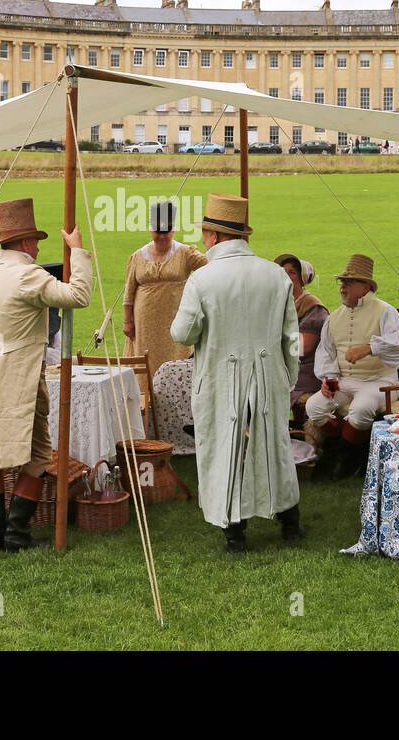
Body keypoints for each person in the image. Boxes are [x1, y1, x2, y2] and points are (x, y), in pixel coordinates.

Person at [169, 193, 302, 554]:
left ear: (213, 236)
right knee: (275, 444)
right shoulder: (275, 275)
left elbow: (182, 334)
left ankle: (234, 532)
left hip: (220, 378)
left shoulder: (202, 279)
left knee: (224, 447)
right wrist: (286, 378)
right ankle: (290, 521)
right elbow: (292, 336)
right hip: (268, 373)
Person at [0, 198, 91, 552]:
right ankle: (13, 533)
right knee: (37, 453)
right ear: (28, 243)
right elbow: (78, 295)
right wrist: (77, 252)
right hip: (24, 379)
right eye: (36, 241)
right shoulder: (29, 275)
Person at [303, 254, 399, 480]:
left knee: (360, 410)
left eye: (349, 282)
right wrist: (328, 380)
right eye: (341, 282)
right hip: (346, 381)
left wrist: (369, 348)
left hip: (380, 381)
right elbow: (326, 353)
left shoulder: (385, 311)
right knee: (314, 407)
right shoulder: (335, 317)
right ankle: (345, 452)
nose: (343, 287)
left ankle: (345, 459)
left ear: (366, 286)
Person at [123, 201, 208, 379]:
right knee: (146, 361)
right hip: (145, 323)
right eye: (157, 232)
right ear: (150, 230)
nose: (162, 237)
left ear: (173, 230)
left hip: (175, 318)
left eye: (166, 232)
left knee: (176, 358)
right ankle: (146, 401)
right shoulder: (138, 256)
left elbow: (212, 267)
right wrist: (127, 322)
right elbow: (129, 293)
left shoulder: (186, 253)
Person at [272, 253, 330, 435]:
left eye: (292, 272)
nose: (286, 276)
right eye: (282, 271)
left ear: (302, 278)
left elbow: (302, 348)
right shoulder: (278, 304)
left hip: (305, 372)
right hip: (283, 367)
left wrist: (271, 341)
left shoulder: (312, 307)